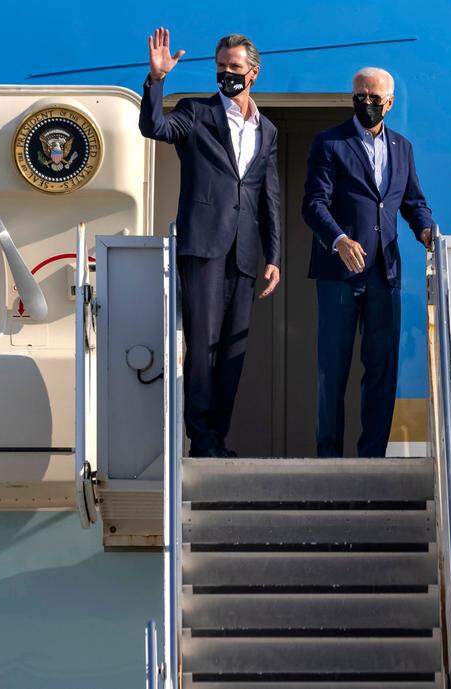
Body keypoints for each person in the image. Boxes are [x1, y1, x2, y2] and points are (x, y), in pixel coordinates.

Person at [139, 28, 281, 457]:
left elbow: (268, 194)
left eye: (234, 68)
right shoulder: (195, 112)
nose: (226, 75)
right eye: (220, 68)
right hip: (202, 246)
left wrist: (274, 255)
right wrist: (156, 80)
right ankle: (201, 440)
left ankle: (217, 438)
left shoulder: (267, 129)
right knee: (200, 345)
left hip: (245, 252)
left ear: (253, 73)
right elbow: (154, 127)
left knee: (232, 349)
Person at [302, 66, 435, 458]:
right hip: (338, 275)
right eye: (360, 95)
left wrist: (426, 230)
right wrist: (338, 239)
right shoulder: (330, 143)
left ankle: (372, 458)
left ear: (389, 103)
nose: (366, 103)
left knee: (381, 370)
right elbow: (313, 203)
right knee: (333, 370)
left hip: (384, 274)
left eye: (374, 98)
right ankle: (329, 459)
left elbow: (413, 202)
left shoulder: (402, 148)